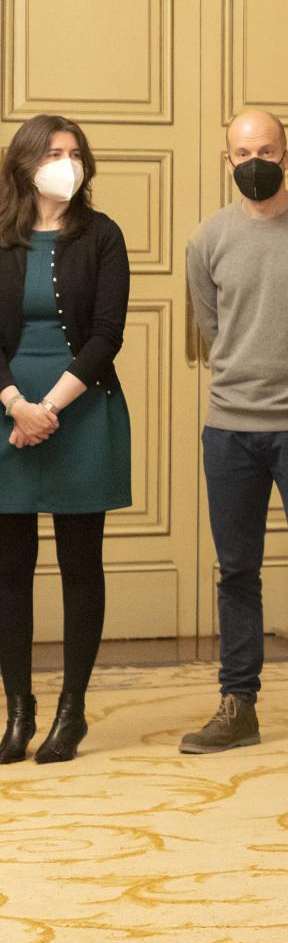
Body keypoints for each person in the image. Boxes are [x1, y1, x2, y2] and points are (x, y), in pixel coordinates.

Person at [179, 110, 288, 758]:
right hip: (229, 431)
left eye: (267, 150)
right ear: (228, 160)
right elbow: (213, 329)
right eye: (243, 152)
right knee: (236, 572)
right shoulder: (207, 240)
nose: (255, 161)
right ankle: (238, 705)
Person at [0, 116, 130, 765]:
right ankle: (17, 711)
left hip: (80, 412)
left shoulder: (102, 235)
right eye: (54, 153)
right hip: (7, 413)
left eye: (75, 153)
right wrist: (15, 405)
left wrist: (47, 408)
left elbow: (107, 333)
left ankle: (70, 712)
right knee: (9, 570)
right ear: (25, 163)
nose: (67, 163)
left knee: (81, 565)